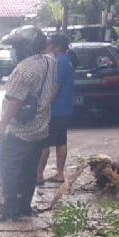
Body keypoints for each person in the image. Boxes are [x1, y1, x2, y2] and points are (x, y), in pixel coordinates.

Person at [0, 25, 56, 221]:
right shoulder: (49, 62)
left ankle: (5, 209)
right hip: (40, 127)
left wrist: (1, 126)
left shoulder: (24, 70)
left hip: (18, 130)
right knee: (28, 169)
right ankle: (24, 206)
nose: (15, 51)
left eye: (17, 47)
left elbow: (14, 101)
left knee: (7, 168)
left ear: (26, 47)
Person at [36, 34, 75, 185]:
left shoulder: (60, 62)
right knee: (60, 141)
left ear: (57, 46)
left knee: (44, 143)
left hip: (56, 109)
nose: (48, 46)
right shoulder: (66, 60)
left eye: (50, 43)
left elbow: (55, 87)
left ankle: (38, 175)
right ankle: (59, 173)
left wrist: (44, 104)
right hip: (64, 108)